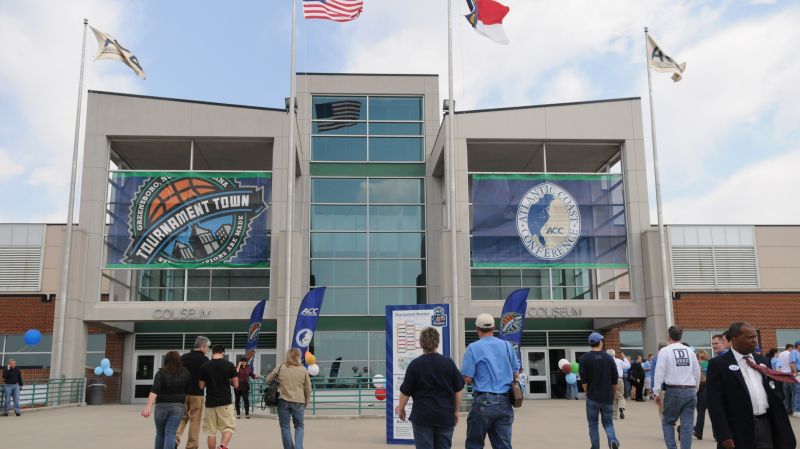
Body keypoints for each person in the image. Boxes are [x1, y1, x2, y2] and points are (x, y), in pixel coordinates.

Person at [707, 322, 797, 449]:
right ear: (735, 338)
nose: (755, 340)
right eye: (750, 337)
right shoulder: (719, 364)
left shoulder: (763, 361)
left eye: (755, 337)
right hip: (738, 429)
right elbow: (715, 404)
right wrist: (723, 435)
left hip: (765, 424)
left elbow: (775, 391)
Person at [396, 327, 465, 449]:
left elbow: (405, 392)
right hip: (445, 416)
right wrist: (456, 411)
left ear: (421, 343)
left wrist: (401, 409)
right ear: (437, 343)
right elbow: (458, 389)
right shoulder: (448, 363)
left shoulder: (415, 365)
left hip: (422, 417)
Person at [461, 313, 519, 449]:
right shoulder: (506, 346)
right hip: (505, 401)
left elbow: (467, 378)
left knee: (474, 444)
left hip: (483, 401)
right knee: (503, 445)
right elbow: (516, 373)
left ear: (477, 329)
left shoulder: (473, 348)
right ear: (493, 328)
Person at [653, 326, 701, 449]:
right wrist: (696, 388)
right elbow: (697, 371)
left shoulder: (665, 351)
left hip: (674, 390)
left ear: (668, 337)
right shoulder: (689, 351)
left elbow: (659, 372)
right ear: (681, 337)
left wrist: (656, 391)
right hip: (690, 389)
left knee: (668, 421)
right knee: (687, 425)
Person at [141, 351, 192, 449]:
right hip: (178, 406)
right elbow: (188, 389)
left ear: (166, 360)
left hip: (161, 407)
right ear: (179, 360)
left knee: (160, 433)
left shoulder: (161, 373)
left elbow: (154, 390)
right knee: (170, 433)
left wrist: (148, 407)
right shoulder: (185, 372)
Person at [579, 332, 621, 449]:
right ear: (601, 342)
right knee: (608, 422)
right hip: (607, 396)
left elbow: (584, 380)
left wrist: (588, 392)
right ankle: (612, 440)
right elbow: (614, 378)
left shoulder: (584, 358)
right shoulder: (609, 358)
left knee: (593, 424)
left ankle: (595, 446)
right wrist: (613, 392)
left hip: (592, 396)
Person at [267, 348, 312, 449]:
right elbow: (308, 388)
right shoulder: (303, 369)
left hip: (283, 401)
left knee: (285, 427)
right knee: (299, 427)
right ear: (299, 357)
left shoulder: (281, 367)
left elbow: (268, 380)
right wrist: (306, 402)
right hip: (299, 401)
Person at [199, 344, 238, 449]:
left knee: (211, 432)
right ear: (223, 353)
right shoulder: (229, 365)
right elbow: (236, 384)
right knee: (228, 427)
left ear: (212, 353)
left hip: (210, 403)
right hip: (225, 401)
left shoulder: (205, 366)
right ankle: (222, 446)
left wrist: (209, 380)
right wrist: (227, 381)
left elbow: (201, 386)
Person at [176, 336, 210, 449]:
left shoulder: (183, 358)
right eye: (207, 347)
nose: (208, 349)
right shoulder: (205, 360)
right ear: (202, 346)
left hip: (182, 393)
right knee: (195, 420)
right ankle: (191, 446)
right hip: (197, 394)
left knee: (182, 417)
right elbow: (207, 378)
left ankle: (175, 438)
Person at [607, 349, 629, 419]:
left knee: (613, 397)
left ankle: (614, 415)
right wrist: (624, 358)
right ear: (614, 354)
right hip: (619, 379)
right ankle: (622, 407)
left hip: (610, 380)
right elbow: (628, 366)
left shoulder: (606, 362)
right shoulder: (619, 361)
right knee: (620, 395)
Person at [693, 350, 710, 441]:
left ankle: (699, 433)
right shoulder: (710, 363)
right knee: (711, 414)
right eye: (699, 358)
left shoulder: (696, 364)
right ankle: (716, 435)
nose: (700, 360)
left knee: (701, 413)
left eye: (702, 358)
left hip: (702, 389)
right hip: (706, 389)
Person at [777, 344, 795, 414]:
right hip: (790, 375)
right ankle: (794, 410)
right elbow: (792, 363)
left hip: (783, 375)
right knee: (793, 393)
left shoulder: (780, 354)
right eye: (792, 348)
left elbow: (779, 365)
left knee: (785, 394)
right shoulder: (791, 353)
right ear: (790, 348)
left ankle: (786, 410)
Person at [793, 340, 800, 418]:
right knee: (798, 392)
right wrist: (795, 373)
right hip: (798, 373)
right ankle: (797, 410)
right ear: (798, 345)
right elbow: (792, 363)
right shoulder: (794, 352)